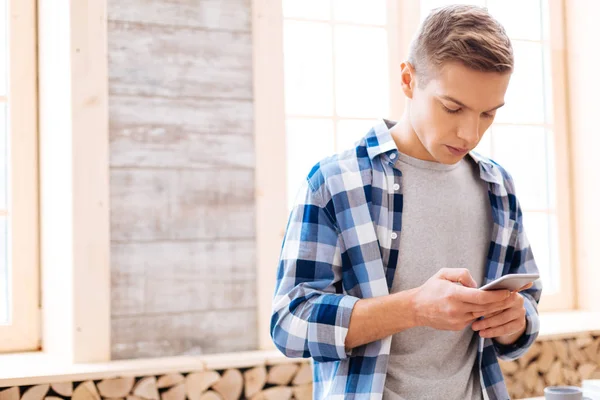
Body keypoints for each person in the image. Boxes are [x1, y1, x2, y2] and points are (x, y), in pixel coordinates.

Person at [270, 4, 542, 400]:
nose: (470, 132)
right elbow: (289, 324)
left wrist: (515, 320)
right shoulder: (334, 182)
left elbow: (527, 306)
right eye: (453, 107)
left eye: (488, 114)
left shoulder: (498, 187)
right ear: (408, 79)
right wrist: (414, 307)